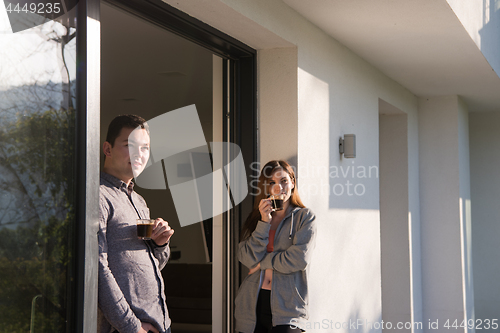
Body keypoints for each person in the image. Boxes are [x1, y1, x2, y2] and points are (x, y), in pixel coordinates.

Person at [98, 114, 174, 333]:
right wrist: (132, 328)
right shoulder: (98, 196)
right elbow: (98, 269)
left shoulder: (139, 201)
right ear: (108, 149)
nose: (139, 154)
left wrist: (160, 245)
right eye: (130, 145)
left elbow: (151, 266)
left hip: (160, 323)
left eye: (145, 148)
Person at [235, 160, 316, 333]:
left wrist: (262, 263)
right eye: (272, 182)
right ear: (266, 187)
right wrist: (264, 222)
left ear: (293, 183)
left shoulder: (304, 217)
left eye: (284, 181)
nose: (279, 187)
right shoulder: (256, 219)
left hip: (288, 308)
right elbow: (247, 258)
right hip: (251, 307)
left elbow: (299, 259)